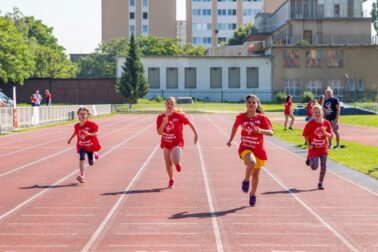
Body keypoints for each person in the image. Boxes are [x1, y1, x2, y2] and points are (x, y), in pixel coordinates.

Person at [227, 95, 273, 207]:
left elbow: (271, 133)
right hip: (245, 147)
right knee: (252, 162)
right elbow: (235, 127)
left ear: (257, 104)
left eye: (254, 102)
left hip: (258, 149)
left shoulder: (262, 118)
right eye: (249, 102)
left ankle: (252, 194)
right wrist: (231, 140)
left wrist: (261, 130)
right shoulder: (241, 117)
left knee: (256, 175)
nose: (251, 104)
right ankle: (246, 181)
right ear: (246, 104)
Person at [156, 97, 198, 188]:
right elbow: (159, 132)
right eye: (168, 103)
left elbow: (189, 123)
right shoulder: (160, 117)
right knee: (168, 163)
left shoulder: (178, 115)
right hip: (166, 142)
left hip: (177, 142)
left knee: (175, 159)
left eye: (172, 104)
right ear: (165, 104)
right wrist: (163, 123)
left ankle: (177, 163)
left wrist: (196, 134)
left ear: (174, 105)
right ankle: (171, 179)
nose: (170, 105)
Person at [303, 104, 333, 190]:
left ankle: (320, 183)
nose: (317, 113)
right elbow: (305, 135)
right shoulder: (310, 123)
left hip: (323, 148)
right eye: (315, 112)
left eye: (318, 111)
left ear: (322, 111)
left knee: (324, 166)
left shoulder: (326, 123)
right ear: (312, 113)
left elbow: (331, 136)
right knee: (314, 167)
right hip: (314, 148)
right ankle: (309, 158)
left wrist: (325, 133)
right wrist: (308, 145)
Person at [67, 107, 101, 183]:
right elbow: (76, 132)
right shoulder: (76, 126)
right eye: (81, 114)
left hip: (90, 145)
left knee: (91, 163)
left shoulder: (91, 124)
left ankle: (94, 154)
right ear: (78, 115)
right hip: (81, 145)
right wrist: (70, 139)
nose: (82, 115)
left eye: (84, 114)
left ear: (87, 115)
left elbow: (96, 133)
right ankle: (82, 176)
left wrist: (89, 134)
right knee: (81, 158)